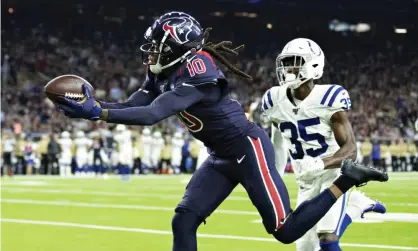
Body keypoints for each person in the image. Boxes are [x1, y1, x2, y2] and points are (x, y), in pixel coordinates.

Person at [57, 11, 388, 250]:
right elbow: (137, 102)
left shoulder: (198, 71)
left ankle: (347, 180)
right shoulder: (164, 70)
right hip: (219, 156)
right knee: (183, 220)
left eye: (157, 45)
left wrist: (98, 113)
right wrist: (94, 109)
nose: (151, 51)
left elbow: (152, 114)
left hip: (247, 148)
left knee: (285, 231)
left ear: (175, 48)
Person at [262, 38, 386, 251]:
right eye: (286, 62)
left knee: (328, 240)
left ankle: (353, 203)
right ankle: (355, 207)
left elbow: (350, 149)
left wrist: (322, 163)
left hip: (332, 174)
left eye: (295, 62)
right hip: (305, 182)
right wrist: (276, 183)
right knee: (306, 248)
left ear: (314, 66)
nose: (288, 68)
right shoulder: (274, 99)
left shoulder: (329, 97)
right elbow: (278, 146)